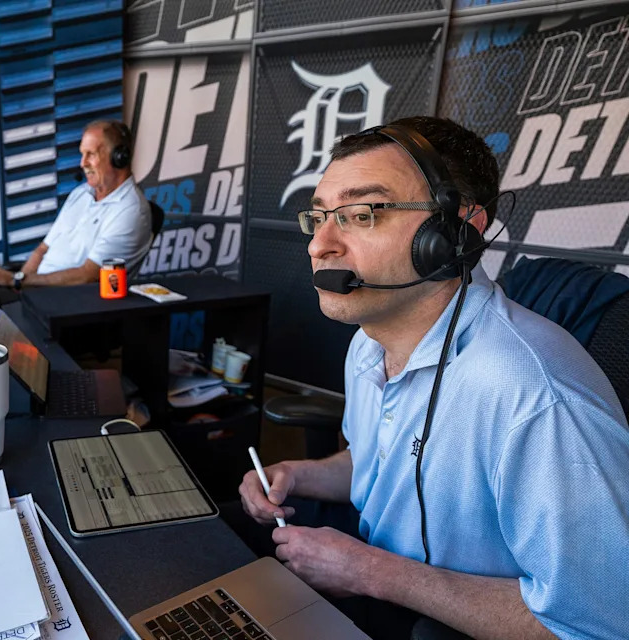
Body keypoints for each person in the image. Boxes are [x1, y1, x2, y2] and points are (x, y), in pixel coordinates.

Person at [237, 116, 629, 640]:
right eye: (320, 216)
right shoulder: (368, 343)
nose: (320, 245)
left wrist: (370, 572)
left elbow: (597, 625)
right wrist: (299, 475)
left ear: (455, 233)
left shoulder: (535, 398)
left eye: (361, 214)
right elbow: (380, 460)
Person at [0, 120, 152, 289]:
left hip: (69, 303)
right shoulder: (81, 193)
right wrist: (20, 287)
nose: (82, 163)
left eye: (91, 154)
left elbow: (87, 275)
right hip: (35, 293)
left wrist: (15, 280)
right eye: (82, 154)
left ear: (119, 158)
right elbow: (42, 249)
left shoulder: (131, 210)